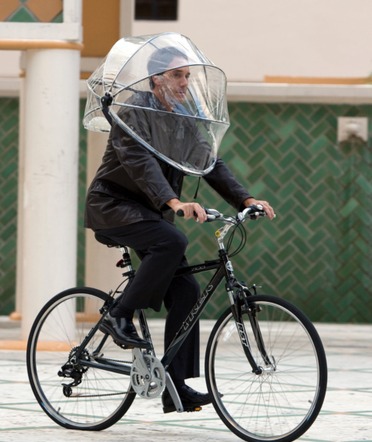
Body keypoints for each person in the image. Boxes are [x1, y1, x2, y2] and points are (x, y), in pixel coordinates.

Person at [84, 46, 275, 413]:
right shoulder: (133, 112)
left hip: (148, 212)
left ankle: (175, 385)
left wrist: (245, 199)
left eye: (187, 76)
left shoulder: (183, 117)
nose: (185, 82)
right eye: (177, 75)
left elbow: (209, 162)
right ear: (156, 79)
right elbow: (141, 165)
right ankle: (119, 315)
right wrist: (174, 203)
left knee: (186, 287)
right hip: (113, 205)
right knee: (172, 239)